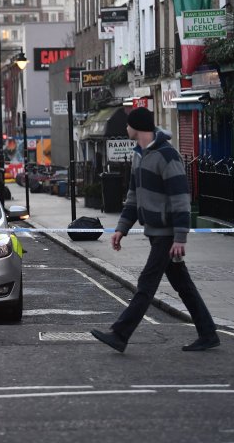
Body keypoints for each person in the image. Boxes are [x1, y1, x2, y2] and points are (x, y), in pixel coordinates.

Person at [91, 107, 220, 353]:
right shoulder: (139, 155)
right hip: (155, 232)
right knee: (183, 285)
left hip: (167, 234)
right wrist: (121, 229)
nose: (126, 129)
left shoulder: (167, 156)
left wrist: (180, 236)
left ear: (137, 127)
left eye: (128, 125)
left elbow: (181, 198)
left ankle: (120, 334)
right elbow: (133, 196)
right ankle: (208, 332)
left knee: (146, 284)